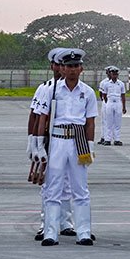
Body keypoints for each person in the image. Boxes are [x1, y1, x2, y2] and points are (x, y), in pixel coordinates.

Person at [37, 49, 98, 245]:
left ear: (81, 69)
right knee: (53, 187)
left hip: (78, 141)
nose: (72, 69)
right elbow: (43, 118)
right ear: (62, 69)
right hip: (57, 139)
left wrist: (90, 147)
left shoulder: (88, 92)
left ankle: (84, 232)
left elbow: (90, 122)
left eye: (75, 66)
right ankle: (50, 232)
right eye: (68, 66)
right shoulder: (52, 90)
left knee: (80, 188)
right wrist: (39, 145)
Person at [97, 66, 126, 145]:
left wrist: (124, 106)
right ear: (111, 74)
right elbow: (104, 94)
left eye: (116, 74)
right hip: (110, 102)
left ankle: (117, 139)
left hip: (118, 102)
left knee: (117, 122)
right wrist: (107, 103)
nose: (114, 76)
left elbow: (123, 95)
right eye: (113, 74)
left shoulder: (121, 84)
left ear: (118, 75)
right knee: (108, 122)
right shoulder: (106, 84)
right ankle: (107, 139)